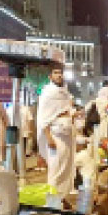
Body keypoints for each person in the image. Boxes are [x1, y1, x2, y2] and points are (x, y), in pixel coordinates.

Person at [37, 64, 76, 199]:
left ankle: (62, 197)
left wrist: (74, 114)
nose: (59, 75)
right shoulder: (47, 93)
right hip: (55, 135)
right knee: (55, 167)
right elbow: (44, 117)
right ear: (50, 76)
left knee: (66, 166)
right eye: (55, 73)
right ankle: (52, 199)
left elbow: (67, 110)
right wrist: (49, 138)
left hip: (67, 134)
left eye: (60, 73)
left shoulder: (65, 92)